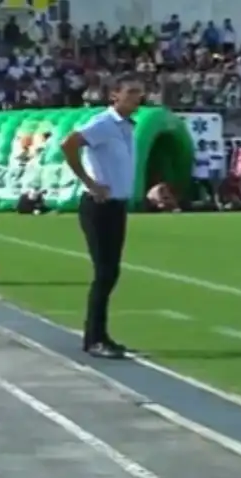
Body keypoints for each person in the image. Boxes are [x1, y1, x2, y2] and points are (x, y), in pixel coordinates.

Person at [60, 73, 144, 359]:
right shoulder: (103, 123)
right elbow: (69, 144)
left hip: (117, 205)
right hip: (99, 206)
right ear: (114, 95)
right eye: (131, 92)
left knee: (111, 272)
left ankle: (100, 334)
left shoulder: (127, 127)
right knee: (104, 272)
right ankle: (93, 338)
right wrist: (90, 182)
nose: (137, 98)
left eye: (139, 92)